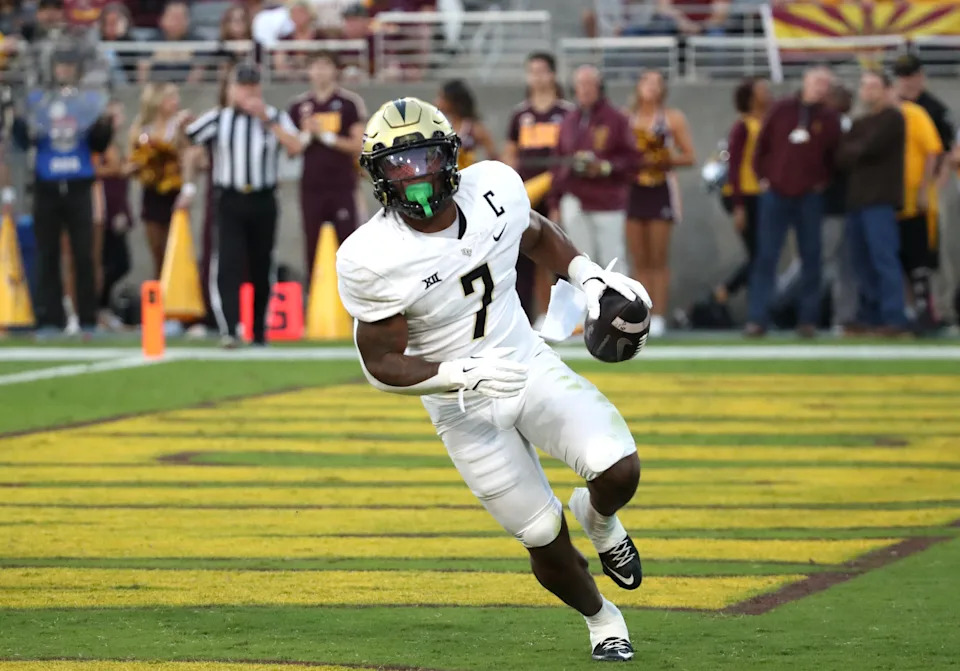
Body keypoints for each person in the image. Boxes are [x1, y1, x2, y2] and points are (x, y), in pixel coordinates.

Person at [336, 97, 649, 662]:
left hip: (523, 360)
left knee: (619, 466)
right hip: (460, 405)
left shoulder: (493, 188)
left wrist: (587, 276)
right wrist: (458, 372)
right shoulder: (372, 256)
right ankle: (603, 619)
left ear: (450, 157)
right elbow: (380, 363)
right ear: (377, 175)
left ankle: (600, 519)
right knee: (541, 535)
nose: (414, 175)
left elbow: (533, 233)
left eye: (424, 158)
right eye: (398, 164)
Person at [180, 63, 302, 347]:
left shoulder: (275, 116)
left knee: (262, 265)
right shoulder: (218, 118)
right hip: (230, 199)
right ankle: (230, 329)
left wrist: (266, 121)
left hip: (263, 198)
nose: (248, 92)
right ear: (232, 89)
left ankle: (259, 332)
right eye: (242, 87)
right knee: (228, 264)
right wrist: (182, 124)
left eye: (252, 86)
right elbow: (187, 140)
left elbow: (295, 147)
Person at [12, 44, 112, 335]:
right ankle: (50, 318)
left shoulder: (86, 103)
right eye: (61, 65)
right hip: (47, 184)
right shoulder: (40, 102)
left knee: (84, 253)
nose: (65, 70)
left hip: (79, 185)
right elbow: (23, 141)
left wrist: (104, 124)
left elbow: (99, 143)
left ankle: (88, 317)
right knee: (47, 253)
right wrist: (19, 120)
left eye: (69, 65)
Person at [748, 66, 841, 337]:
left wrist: (823, 181)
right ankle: (758, 318)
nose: (820, 87)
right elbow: (762, 146)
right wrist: (763, 177)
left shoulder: (830, 118)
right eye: (816, 81)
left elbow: (835, 156)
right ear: (805, 81)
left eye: (825, 83)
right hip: (776, 193)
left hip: (809, 196)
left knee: (811, 257)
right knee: (766, 257)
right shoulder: (781, 109)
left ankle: (807, 319)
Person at [502, 51, 575, 325]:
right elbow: (510, 153)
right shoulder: (520, 114)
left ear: (553, 74)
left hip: (559, 192)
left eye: (542, 71)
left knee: (559, 255)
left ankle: (564, 320)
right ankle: (529, 318)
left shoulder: (567, 113)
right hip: (528, 194)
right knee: (525, 257)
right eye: (532, 71)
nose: (537, 77)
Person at [625, 70, 694, 337]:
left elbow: (689, 156)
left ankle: (659, 315)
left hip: (660, 188)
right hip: (633, 190)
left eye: (657, 83)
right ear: (638, 86)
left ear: (663, 89)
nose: (651, 87)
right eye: (646, 81)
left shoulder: (672, 118)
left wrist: (663, 158)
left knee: (658, 258)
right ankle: (641, 312)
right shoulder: (627, 118)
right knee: (638, 258)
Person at [837, 70, 906, 336]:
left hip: (880, 199)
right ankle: (870, 315)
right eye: (865, 86)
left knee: (883, 259)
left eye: (874, 86)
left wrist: (855, 150)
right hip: (857, 200)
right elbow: (841, 156)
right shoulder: (858, 123)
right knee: (861, 262)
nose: (868, 91)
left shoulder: (893, 118)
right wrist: (856, 150)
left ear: (887, 90)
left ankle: (893, 316)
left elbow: (870, 147)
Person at [552, 65, 639, 275]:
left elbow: (633, 159)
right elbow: (557, 162)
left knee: (612, 261)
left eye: (590, 84)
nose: (585, 89)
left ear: (600, 87)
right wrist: (554, 201)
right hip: (574, 198)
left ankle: (617, 298)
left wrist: (605, 167)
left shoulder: (616, 119)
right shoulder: (569, 120)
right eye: (580, 84)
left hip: (607, 200)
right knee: (579, 263)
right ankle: (583, 299)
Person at [287, 50, 365, 280]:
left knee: (347, 243)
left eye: (325, 65)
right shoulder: (299, 106)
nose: (320, 71)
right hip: (311, 186)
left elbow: (358, 145)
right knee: (312, 243)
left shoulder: (349, 103)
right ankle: (314, 293)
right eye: (315, 66)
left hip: (342, 185)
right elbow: (291, 148)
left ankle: (351, 295)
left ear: (335, 70)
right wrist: (307, 135)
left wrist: (326, 136)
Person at [716, 77, 771, 310]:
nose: (767, 93)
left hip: (762, 194)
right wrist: (738, 206)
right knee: (759, 254)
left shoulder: (768, 122)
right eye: (761, 90)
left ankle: (756, 304)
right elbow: (735, 166)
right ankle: (725, 290)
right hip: (745, 194)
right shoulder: (743, 126)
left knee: (763, 254)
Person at [894, 87, 943, 333]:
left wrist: (925, 188)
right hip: (889, 203)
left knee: (920, 262)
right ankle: (910, 313)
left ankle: (929, 313)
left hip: (915, 203)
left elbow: (933, 150)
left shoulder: (913, 113)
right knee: (899, 263)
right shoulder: (876, 117)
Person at [128, 82, 186, 277]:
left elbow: (186, 154)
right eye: (171, 98)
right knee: (157, 251)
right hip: (151, 192)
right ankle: (159, 287)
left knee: (174, 250)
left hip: (174, 192)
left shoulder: (179, 126)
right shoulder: (142, 129)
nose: (176, 102)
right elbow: (133, 160)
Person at [93, 98, 132, 329]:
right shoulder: (102, 144)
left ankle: (103, 306)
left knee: (117, 262)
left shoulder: (116, 142)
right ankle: (98, 306)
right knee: (113, 261)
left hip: (117, 204)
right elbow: (103, 169)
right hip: (106, 207)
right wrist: (121, 169)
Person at [435, 79, 498, 169]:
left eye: (442, 98)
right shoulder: (441, 127)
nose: (437, 102)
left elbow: (493, 155)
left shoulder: (474, 128)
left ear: (453, 101)